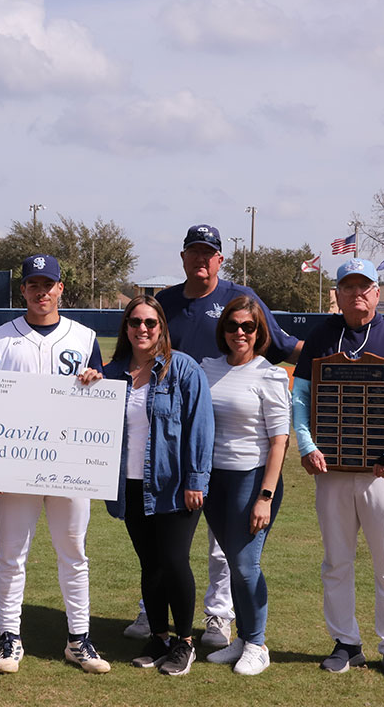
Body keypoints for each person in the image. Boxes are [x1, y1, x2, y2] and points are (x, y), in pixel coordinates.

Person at [128, 223, 301, 649]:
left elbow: (282, 346)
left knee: (226, 548)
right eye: (194, 251)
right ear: (183, 257)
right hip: (172, 441)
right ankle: (153, 609)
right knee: (165, 534)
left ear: (220, 259)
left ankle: (220, 614)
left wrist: (332, 355)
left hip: (234, 448)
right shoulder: (167, 302)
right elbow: (138, 353)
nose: (201, 259)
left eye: (209, 253)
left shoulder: (239, 298)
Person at [291, 258, 384, 683]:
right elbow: (300, 397)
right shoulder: (321, 336)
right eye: (348, 287)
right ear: (338, 293)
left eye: (364, 287)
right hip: (331, 470)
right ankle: (346, 643)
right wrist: (307, 444)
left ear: (376, 292)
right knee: (336, 561)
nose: (356, 294)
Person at [0, 254, 110, 675]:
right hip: (15, 463)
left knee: (74, 552)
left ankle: (79, 639)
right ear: (23, 289)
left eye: (48, 284)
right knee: (11, 555)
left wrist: (96, 381)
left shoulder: (84, 337)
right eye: (33, 284)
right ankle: (9, 637)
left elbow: (101, 402)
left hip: (70, 463)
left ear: (60, 289)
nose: (41, 291)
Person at [104, 295, 214, 677]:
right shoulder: (113, 372)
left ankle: (185, 642)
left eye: (150, 322)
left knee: (173, 561)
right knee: (149, 564)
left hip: (174, 485)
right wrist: (87, 381)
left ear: (161, 327)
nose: (143, 329)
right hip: (130, 485)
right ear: (126, 327)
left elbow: (201, 426)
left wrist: (196, 480)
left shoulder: (182, 368)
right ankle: (159, 637)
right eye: (135, 322)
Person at [199, 296, 290, 676]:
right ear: (223, 329)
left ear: (259, 332)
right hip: (213, 480)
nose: (240, 332)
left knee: (244, 564)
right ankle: (243, 638)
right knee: (233, 562)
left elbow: (279, 441)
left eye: (248, 327)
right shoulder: (207, 368)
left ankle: (257, 644)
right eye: (233, 325)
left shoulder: (269, 375)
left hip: (251, 480)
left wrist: (265, 496)